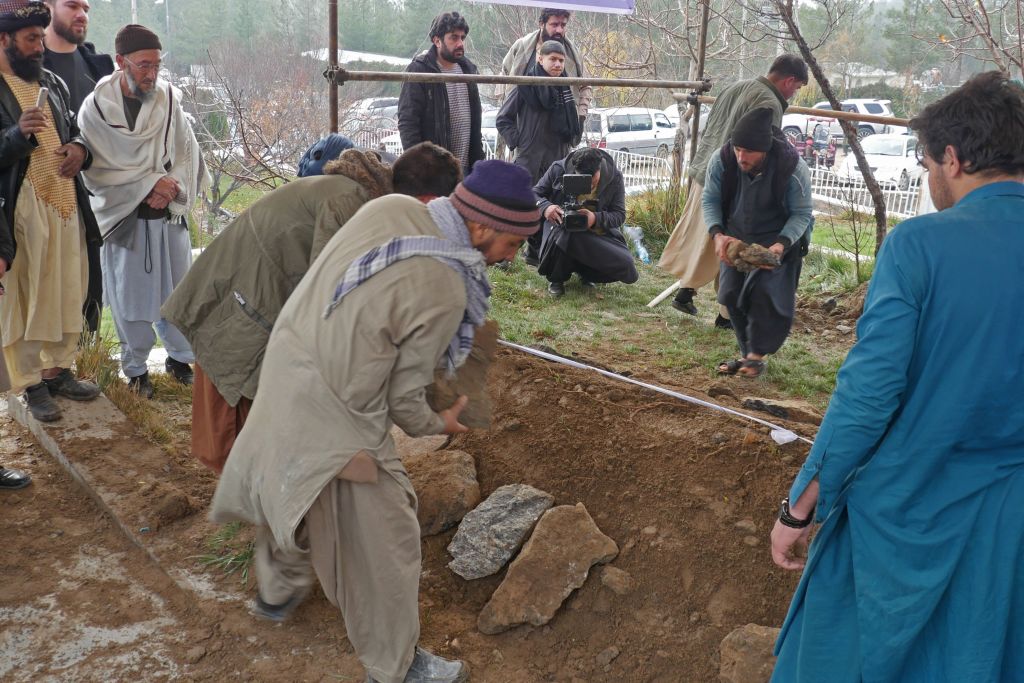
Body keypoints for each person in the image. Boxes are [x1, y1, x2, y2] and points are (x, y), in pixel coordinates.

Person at [210, 159, 540, 683]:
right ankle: (397, 666)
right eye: (513, 244)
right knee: (389, 539)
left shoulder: (395, 208)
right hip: (339, 416)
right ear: (483, 226)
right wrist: (442, 422)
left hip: (287, 367)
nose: (510, 257)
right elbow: (405, 398)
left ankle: (275, 594)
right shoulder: (446, 286)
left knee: (294, 482)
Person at [769, 71, 1024, 682]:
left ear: (954, 159)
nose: (928, 177)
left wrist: (801, 504)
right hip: (1009, 528)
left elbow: (869, 394)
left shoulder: (920, 247)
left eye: (928, 162)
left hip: (907, 513)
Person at [162, 142, 462, 473]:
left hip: (253, 296)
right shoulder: (351, 204)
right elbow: (332, 297)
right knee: (238, 432)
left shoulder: (367, 197)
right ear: (430, 201)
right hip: (243, 303)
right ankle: (257, 511)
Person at [78, 24, 208, 399]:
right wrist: (150, 182)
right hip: (126, 220)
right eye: (143, 65)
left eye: (157, 65)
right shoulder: (95, 110)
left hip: (167, 215)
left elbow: (186, 151)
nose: (152, 74)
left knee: (179, 292)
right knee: (130, 299)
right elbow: (99, 169)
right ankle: (135, 369)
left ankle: (180, 359)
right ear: (121, 62)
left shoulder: (168, 100)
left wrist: (172, 186)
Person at [0, 0, 101, 423]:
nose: (39, 46)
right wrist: (17, 134)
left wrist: (79, 150)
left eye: (41, 38)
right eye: (30, 40)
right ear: (3, 40)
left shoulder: (54, 83)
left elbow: (78, 132)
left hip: (64, 201)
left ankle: (57, 370)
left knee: (66, 287)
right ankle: (30, 383)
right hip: (20, 208)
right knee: (27, 297)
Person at [660, 54, 807, 325]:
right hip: (732, 182)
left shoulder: (736, 86)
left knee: (703, 240)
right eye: (796, 88)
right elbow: (764, 151)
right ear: (789, 80)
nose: (794, 93)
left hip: (704, 170)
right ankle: (726, 314)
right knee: (729, 244)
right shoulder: (768, 102)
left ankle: (687, 294)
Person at [704, 107, 812, 378]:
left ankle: (755, 357)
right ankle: (747, 356)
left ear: (764, 149)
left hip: (779, 240)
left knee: (764, 294)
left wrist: (780, 245)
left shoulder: (792, 167)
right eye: (738, 149)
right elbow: (710, 200)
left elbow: (802, 213)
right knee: (730, 294)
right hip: (736, 238)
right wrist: (717, 234)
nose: (742, 157)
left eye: (749, 152)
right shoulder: (723, 160)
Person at [42, 0, 113, 334]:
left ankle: (86, 367)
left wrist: (84, 149)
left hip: (95, 199)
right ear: (47, 6)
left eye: (86, 7)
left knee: (89, 288)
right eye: (72, 5)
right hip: (40, 199)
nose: (82, 13)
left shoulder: (100, 69)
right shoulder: (21, 66)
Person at [496, 40, 581, 267]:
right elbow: (503, 119)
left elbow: (573, 124)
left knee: (551, 205)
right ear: (540, 59)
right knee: (521, 205)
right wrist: (519, 142)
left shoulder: (566, 88)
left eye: (561, 60)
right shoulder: (527, 85)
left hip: (557, 158)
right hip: (529, 157)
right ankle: (505, 255)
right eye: (552, 59)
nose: (557, 64)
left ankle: (536, 253)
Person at [533, 147, 636, 296]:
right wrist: (545, 207)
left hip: (595, 233)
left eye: (592, 181)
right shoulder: (558, 169)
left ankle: (587, 273)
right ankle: (556, 278)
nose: (589, 186)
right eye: (583, 180)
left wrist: (595, 218)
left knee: (626, 266)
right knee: (566, 235)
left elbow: (619, 215)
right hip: (560, 229)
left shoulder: (614, 177)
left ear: (599, 168)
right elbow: (533, 194)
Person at [397, 11, 483, 174]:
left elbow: (475, 124)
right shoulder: (420, 70)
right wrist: (419, 166)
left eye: (462, 38)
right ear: (437, 40)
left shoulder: (468, 70)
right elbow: (408, 122)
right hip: (433, 171)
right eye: (453, 37)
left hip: (464, 168)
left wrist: (478, 164)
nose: (460, 43)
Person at [499, 7, 591, 121]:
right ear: (541, 24)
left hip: (561, 128)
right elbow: (504, 77)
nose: (559, 30)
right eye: (554, 24)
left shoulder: (573, 53)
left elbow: (586, 85)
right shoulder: (522, 47)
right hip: (525, 126)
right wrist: (507, 120)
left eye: (563, 25)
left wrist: (580, 117)